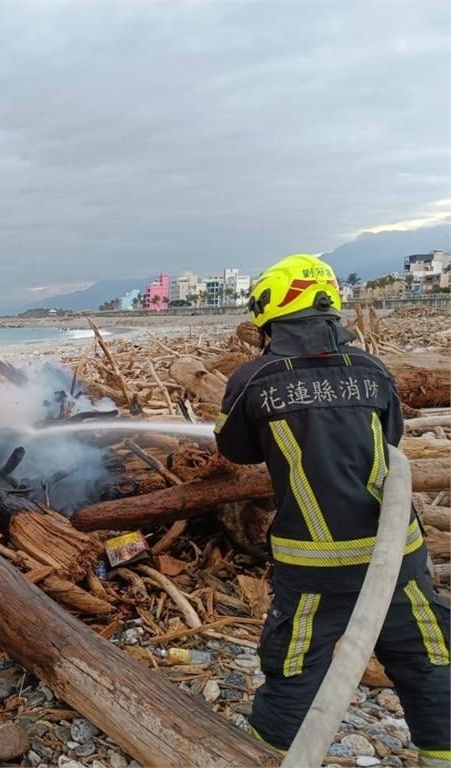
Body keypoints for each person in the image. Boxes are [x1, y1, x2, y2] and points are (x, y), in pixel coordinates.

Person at [214, 254, 450, 764]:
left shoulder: (254, 380)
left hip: (314, 562)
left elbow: (235, 449)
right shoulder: (372, 369)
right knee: (426, 661)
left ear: (271, 314)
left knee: (295, 670)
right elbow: (391, 439)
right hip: (396, 557)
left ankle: (266, 757)